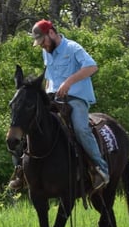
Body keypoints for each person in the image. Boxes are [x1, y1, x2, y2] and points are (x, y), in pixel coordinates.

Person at [8, 19, 110, 192]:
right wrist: (48, 93)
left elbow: (92, 67)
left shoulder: (73, 48)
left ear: (52, 33)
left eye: (43, 41)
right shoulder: (47, 51)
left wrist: (68, 82)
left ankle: (100, 169)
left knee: (80, 128)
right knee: (31, 124)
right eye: (39, 43)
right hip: (54, 98)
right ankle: (21, 172)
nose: (42, 46)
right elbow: (50, 77)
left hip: (76, 98)